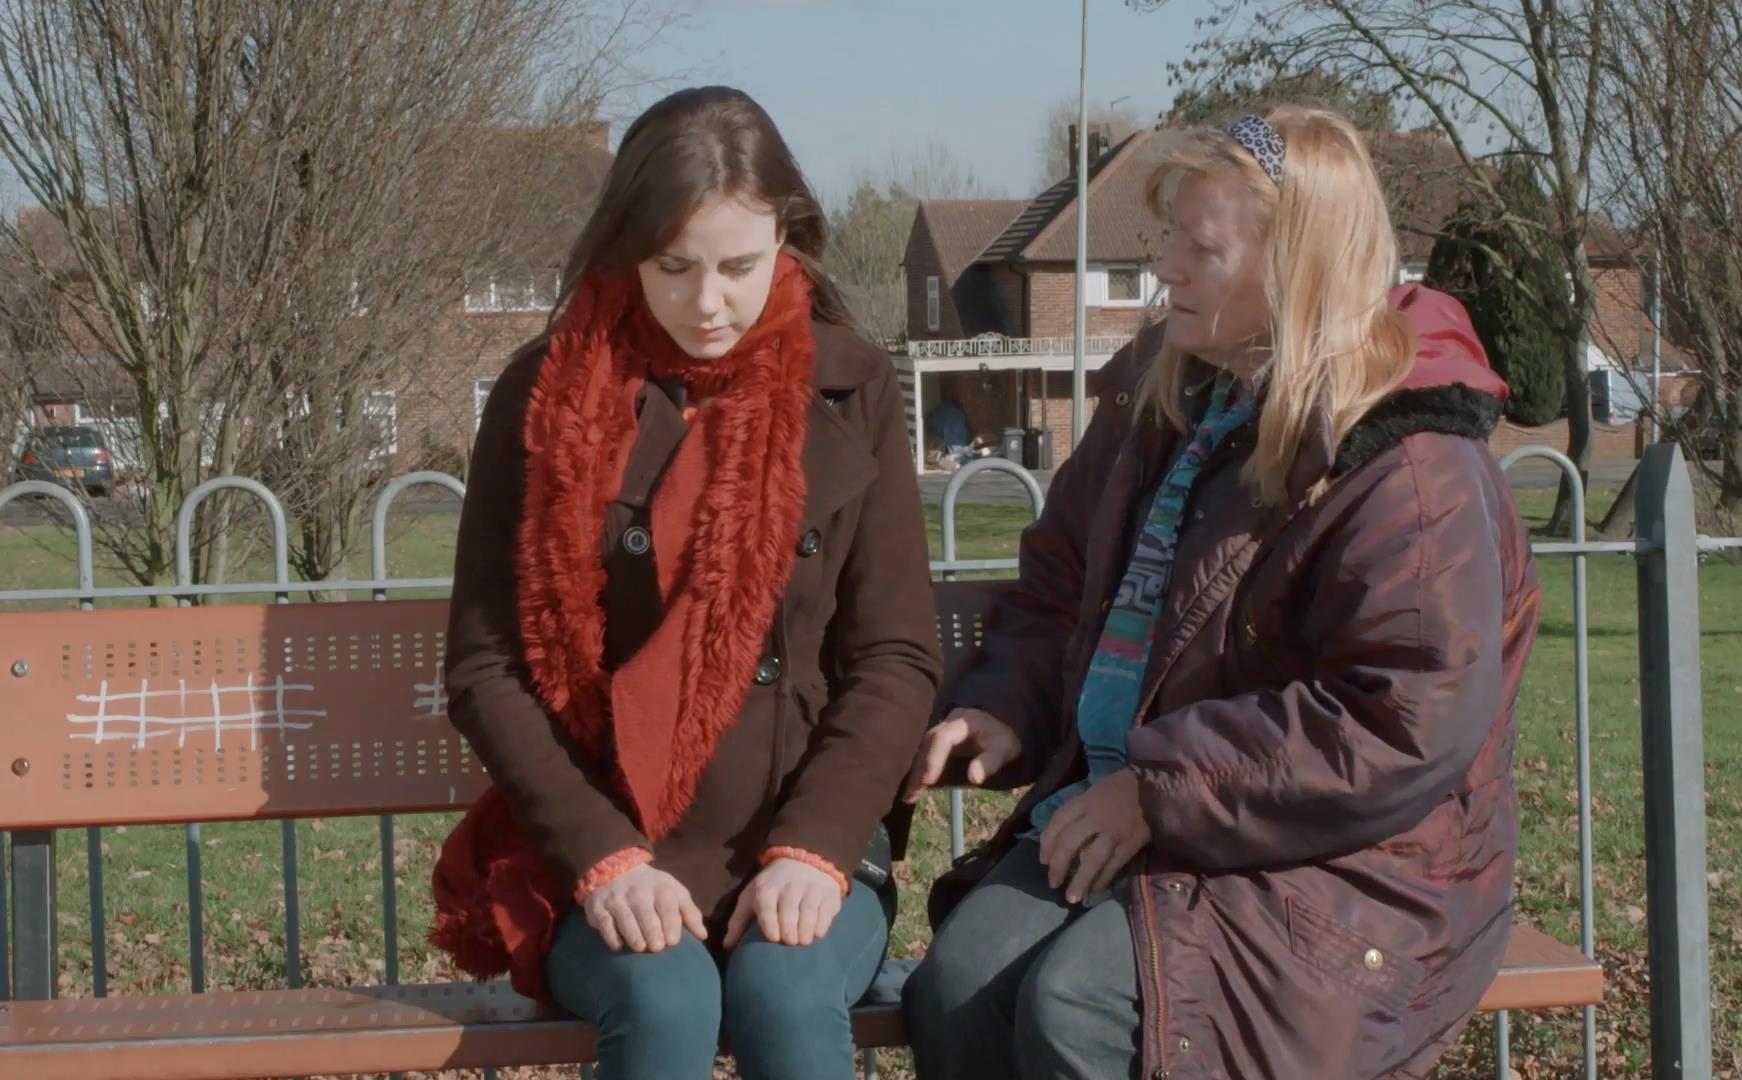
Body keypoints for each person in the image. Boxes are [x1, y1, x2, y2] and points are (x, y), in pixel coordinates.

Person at [901, 104, 1542, 1080]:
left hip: (1349, 860)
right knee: (958, 986)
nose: (1166, 268)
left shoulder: (1411, 465)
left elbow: (1402, 720)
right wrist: (1005, 705)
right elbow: (1062, 584)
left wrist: (1158, 792)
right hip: (1155, 810)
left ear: (1299, 266)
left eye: (1200, 249)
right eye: (1169, 239)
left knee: (1081, 1010)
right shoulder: (1164, 391)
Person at [428, 86, 940, 1080]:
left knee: (783, 991)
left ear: (787, 237)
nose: (709, 302)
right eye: (675, 267)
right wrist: (603, 857)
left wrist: (817, 848)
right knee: (665, 999)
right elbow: (487, 668)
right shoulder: (545, 395)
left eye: (739, 266)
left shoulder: (853, 386)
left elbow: (894, 655)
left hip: (803, 834)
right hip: (601, 842)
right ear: (629, 247)